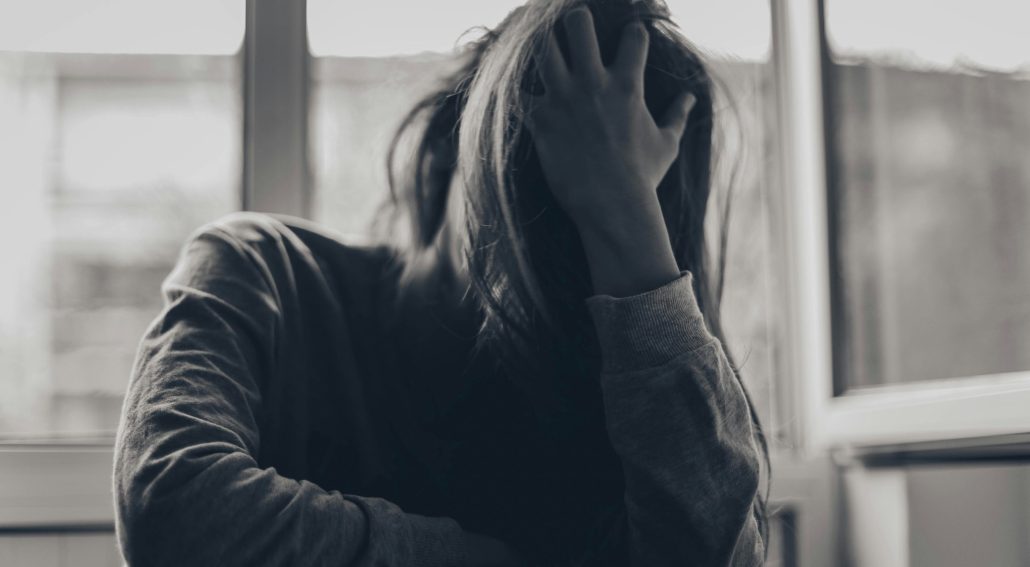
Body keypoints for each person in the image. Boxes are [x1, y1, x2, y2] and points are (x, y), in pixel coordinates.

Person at [113, 0, 769, 565]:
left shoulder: (620, 396)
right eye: (531, 178)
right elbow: (172, 508)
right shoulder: (262, 273)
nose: (556, 231)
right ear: (444, 153)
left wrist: (628, 231)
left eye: (610, 209)